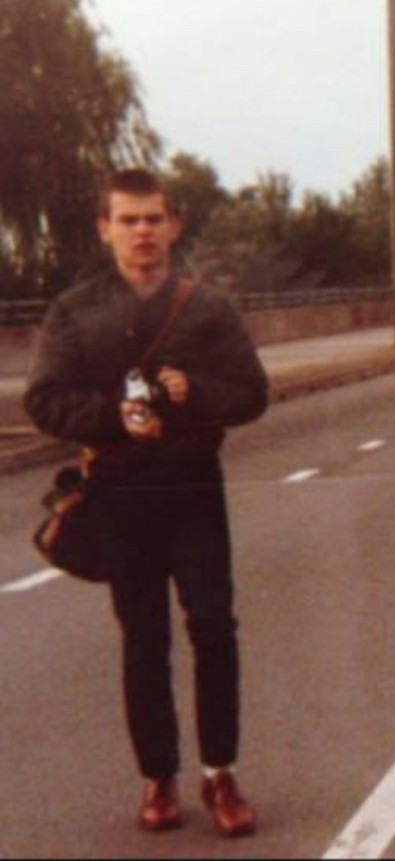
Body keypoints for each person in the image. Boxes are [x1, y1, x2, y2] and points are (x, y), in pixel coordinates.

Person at [23, 168, 269, 837]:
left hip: (192, 487)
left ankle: (220, 772)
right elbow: (43, 399)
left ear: (174, 225)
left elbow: (252, 392)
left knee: (214, 625)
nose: (142, 233)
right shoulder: (75, 310)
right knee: (144, 637)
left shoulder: (207, 307)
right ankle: (157, 777)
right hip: (120, 491)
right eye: (127, 220)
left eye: (153, 219)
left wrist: (193, 391)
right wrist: (110, 416)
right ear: (105, 228)